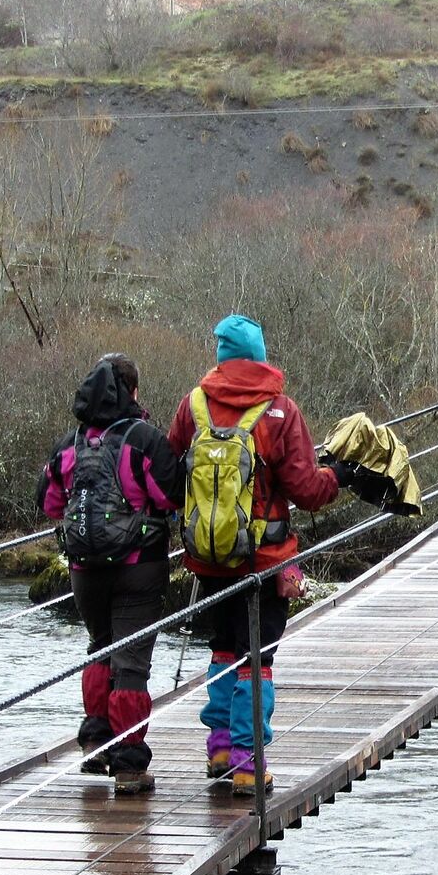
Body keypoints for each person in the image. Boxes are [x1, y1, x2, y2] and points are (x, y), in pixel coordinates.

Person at [167, 315, 353, 797]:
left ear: (222, 356)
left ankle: (222, 749)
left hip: (207, 558)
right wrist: (339, 475)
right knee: (257, 658)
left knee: (224, 647)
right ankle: (250, 765)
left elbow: (171, 476)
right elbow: (307, 490)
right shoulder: (279, 410)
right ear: (260, 355)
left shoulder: (193, 407)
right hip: (266, 561)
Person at [37, 353, 184, 796]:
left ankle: (96, 741)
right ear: (133, 392)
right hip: (139, 567)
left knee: (100, 647)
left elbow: (50, 504)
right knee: (132, 664)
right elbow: (170, 496)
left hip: (84, 569)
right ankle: (129, 765)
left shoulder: (70, 444)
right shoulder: (144, 439)